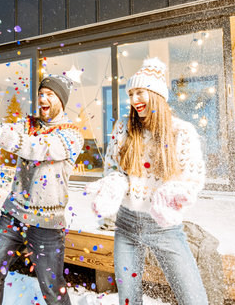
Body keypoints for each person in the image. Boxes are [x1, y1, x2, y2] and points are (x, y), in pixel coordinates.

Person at [87, 57, 209, 305]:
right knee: (128, 299)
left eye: (139, 92)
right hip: (126, 225)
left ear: (155, 94)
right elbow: (113, 168)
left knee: (194, 298)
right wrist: (114, 184)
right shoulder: (123, 127)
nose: (133, 100)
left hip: (164, 228)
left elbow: (192, 177)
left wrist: (173, 190)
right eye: (130, 93)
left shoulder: (181, 131)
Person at [0, 74, 84, 305]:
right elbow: (5, 129)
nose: (43, 98)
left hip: (47, 224)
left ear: (62, 100)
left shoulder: (71, 135)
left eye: (50, 95)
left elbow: (36, 148)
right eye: (41, 94)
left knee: (53, 291)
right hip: (12, 215)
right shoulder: (28, 124)